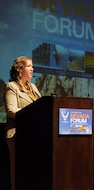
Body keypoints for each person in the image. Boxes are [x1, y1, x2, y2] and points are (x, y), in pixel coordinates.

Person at [3, 56, 41, 190]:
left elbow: (42, 108)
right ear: (20, 69)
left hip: (34, 136)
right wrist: (31, 112)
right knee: (18, 173)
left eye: (32, 66)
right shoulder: (11, 87)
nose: (33, 69)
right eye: (29, 66)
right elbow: (11, 111)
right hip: (18, 136)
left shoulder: (34, 87)